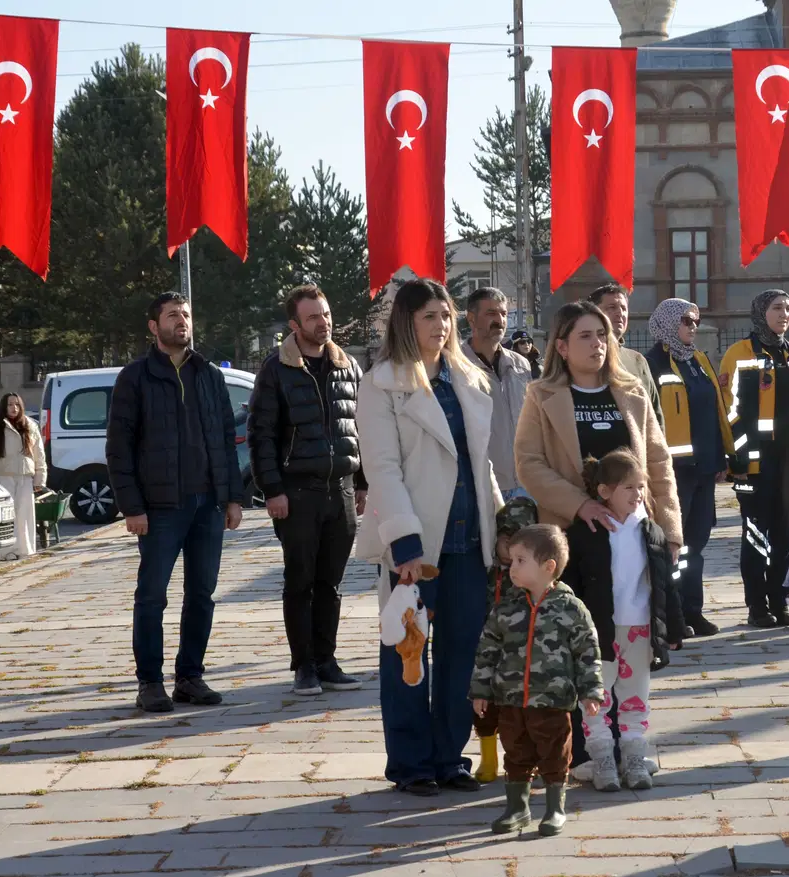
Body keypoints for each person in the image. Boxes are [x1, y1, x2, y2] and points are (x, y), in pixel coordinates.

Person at [514, 300, 682, 780]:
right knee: (584, 645)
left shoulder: (630, 391)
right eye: (585, 335)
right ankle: (589, 749)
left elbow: (658, 461)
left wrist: (668, 529)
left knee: (630, 641)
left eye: (602, 334)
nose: (597, 343)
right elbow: (529, 463)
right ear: (561, 347)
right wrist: (581, 504)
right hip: (576, 537)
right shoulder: (541, 395)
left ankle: (630, 741)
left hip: (631, 540)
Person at [355, 278, 502, 796]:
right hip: (416, 543)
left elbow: (480, 465)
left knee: (463, 653)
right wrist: (404, 544)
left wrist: (501, 526)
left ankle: (449, 757)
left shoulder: (469, 378)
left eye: (446, 316)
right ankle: (411, 762)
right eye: (429, 317)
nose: (440, 326)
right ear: (406, 322)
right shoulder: (381, 384)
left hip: (469, 536)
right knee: (407, 654)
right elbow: (383, 468)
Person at [105, 292, 245, 713]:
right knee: (152, 596)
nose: (181, 321)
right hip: (161, 508)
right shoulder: (135, 378)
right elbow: (119, 448)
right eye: (172, 316)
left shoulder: (209, 375)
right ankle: (150, 682)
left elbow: (225, 440)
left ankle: (190, 677)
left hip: (208, 506)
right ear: (154, 326)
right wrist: (132, 507)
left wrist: (233, 498)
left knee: (202, 594)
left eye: (185, 314)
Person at [247, 284, 367, 697]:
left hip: (343, 491)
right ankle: (304, 667)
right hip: (296, 493)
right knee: (300, 581)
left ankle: (327, 661)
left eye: (327, 314)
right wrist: (272, 490)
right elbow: (261, 436)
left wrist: (363, 482)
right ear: (295, 324)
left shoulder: (348, 366)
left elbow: (362, 428)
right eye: (314, 317)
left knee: (331, 584)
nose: (324, 323)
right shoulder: (276, 370)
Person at [470, 524, 603, 837]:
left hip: (553, 700)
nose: (512, 567)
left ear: (548, 567)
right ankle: (517, 808)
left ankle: (555, 808)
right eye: (512, 560)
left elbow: (588, 652)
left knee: (555, 754)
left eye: (520, 561)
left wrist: (591, 690)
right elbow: (486, 651)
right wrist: (480, 689)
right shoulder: (504, 610)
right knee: (515, 752)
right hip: (510, 699)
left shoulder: (571, 610)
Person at [563, 450, 685, 792]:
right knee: (595, 698)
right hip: (598, 634)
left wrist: (673, 628)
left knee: (634, 697)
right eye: (628, 487)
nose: (638, 495)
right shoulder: (584, 533)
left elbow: (665, 584)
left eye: (641, 487)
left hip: (640, 631)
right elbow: (570, 586)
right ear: (604, 491)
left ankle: (633, 758)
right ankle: (601, 759)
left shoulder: (651, 532)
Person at [719, 289, 789, 628]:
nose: (784, 313)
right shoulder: (739, 353)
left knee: (785, 532)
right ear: (760, 311)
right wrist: (732, 454)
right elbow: (726, 410)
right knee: (755, 532)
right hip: (752, 463)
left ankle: (781, 600)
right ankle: (757, 606)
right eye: (777, 307)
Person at [645, 297, 731, 637]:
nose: (693, 326)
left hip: (704, 468)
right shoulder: (653, 364)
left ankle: (693, 610)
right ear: (667, 322)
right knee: (672, 544)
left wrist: (722, 457)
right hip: (674, 471)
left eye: (696, 320)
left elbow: (716, 410)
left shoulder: (699, 360)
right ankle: (672, 615)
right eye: (686, 320)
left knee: (696, 542)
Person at [474, 495, 539, 783]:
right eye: (506, 539)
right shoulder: (485, 570)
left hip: (521, 654)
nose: (510, 550)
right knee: (482, 706)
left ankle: (523, 760)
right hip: (486, 651)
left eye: (519, 545)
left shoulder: (530, 576)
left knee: (520, 712)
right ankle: (488, 757)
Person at [462, 287, 534, 499]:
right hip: (481, 485)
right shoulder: (455, 364)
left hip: (524, 483)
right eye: (491, 313)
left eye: (503, 314)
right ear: (471, 319)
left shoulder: (520, 364)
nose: (500, 320)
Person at [588, 284, 664, 428]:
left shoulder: (638, 361)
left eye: (623, 308)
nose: (620, 313)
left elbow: (654, 414)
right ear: (594, 313)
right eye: (612, 307)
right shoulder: (585, 357)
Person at [0, 393, 47, 559]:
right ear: (3, 407)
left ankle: (26, 549)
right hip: (4, 476)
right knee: (7, 515)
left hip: (25, 476)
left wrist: (40, 478)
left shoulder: (29, 425)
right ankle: (8, 551)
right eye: (10, 405)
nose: (14, 408)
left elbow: (39, 453)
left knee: (25, 514)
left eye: (17, 405)